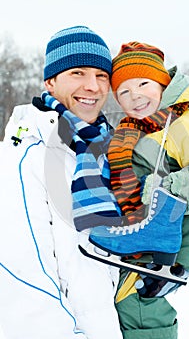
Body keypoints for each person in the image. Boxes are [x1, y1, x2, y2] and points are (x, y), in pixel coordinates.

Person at [101, 42, 189, 339]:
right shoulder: (142, 129)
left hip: (171, 245)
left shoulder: (186, 124)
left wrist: (159, 191)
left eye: (143, 84)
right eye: (123, 91)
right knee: (132, 303)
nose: (134, 95)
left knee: (138, 305)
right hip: (148, 236)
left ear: (164, 83)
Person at [0, 26, 123, 339]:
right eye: (77, 73)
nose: (92, 86)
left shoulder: (107, 153)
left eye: (101, 75)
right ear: (50, 81)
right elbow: (23, 283)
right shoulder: (26, 155)